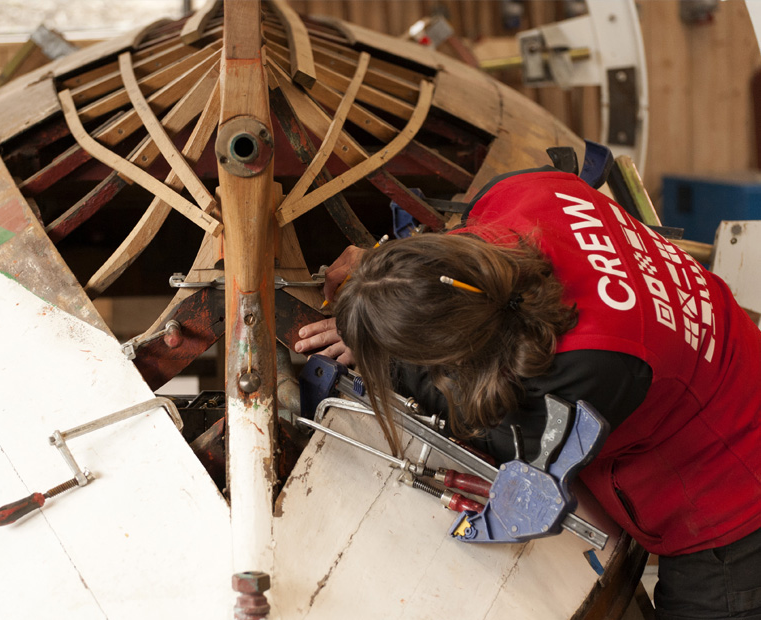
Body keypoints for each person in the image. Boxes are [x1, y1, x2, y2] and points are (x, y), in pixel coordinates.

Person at [295, 168, 761, 620]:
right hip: (733, 358)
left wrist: (396, 367)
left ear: (455, 351)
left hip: (733, 491)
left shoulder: (591, 366)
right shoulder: (526, 192)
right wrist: (382, 276)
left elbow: (505, 443)